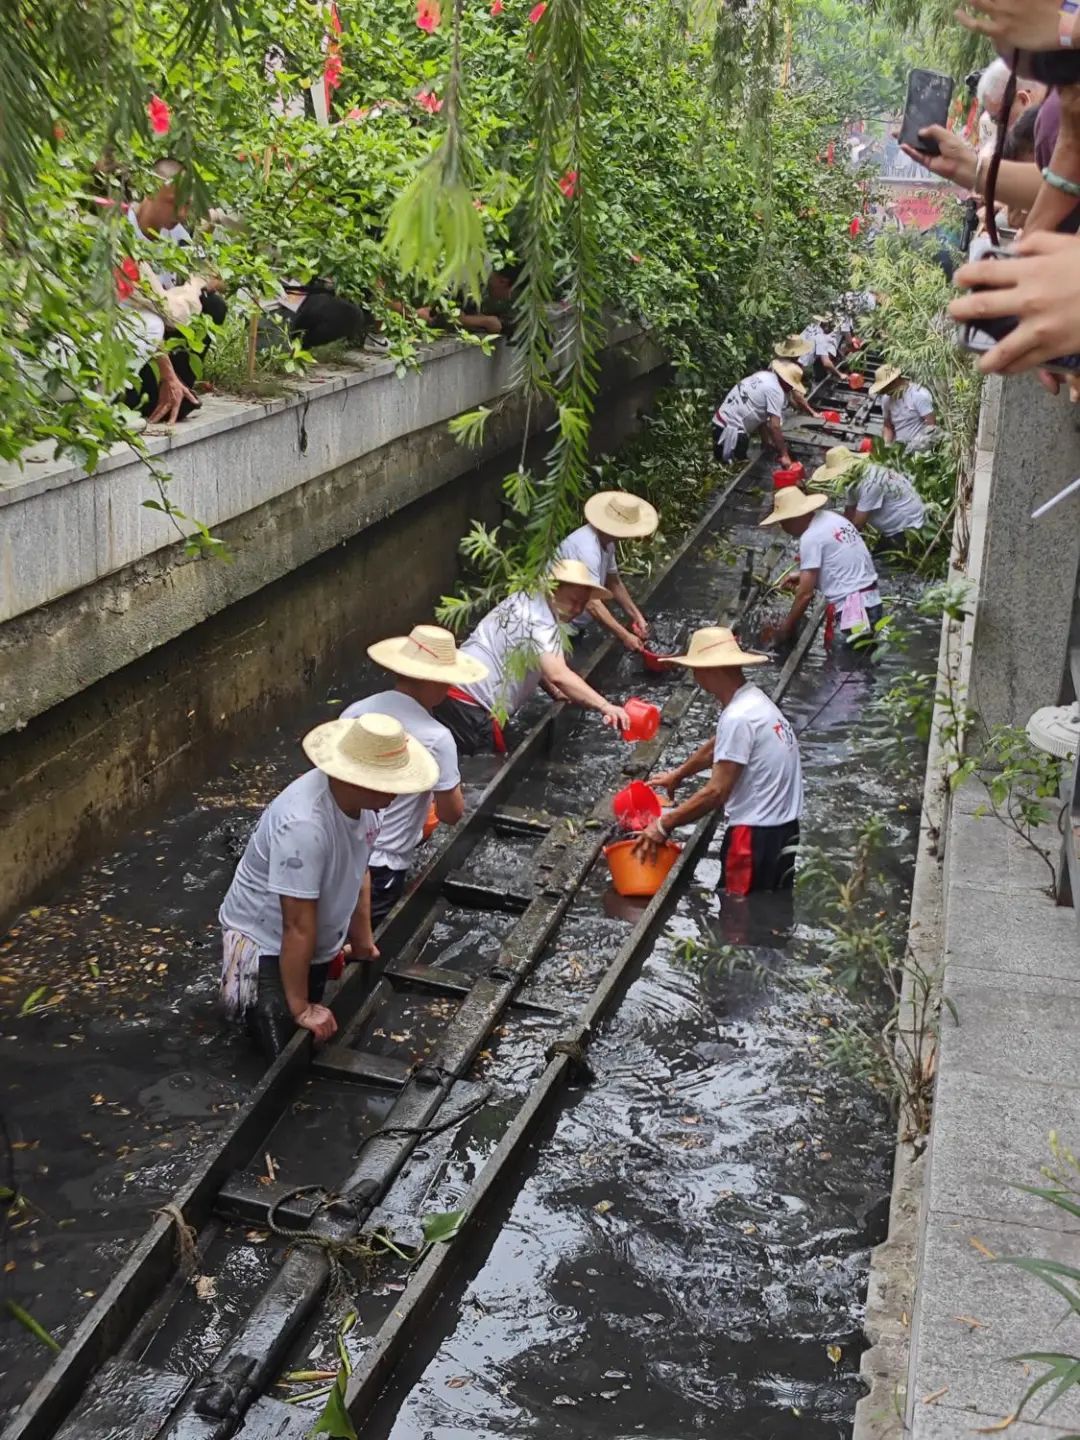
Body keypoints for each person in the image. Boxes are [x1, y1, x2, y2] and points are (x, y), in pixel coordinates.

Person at [218, 713, 438, 1057]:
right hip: (266, 941)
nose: (397, 792)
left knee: (316, 1021)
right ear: (357, 778)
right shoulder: (305, 825)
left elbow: (358, 871)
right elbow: (296, 924)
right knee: (275, 1044)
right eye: (389, 782)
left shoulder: (369, 807)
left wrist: (362, 941)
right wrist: (300, 1008)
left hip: (312, 932)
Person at [635, 626, 802, 895]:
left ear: (711, 670)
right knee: (771, 905)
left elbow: (716, 792)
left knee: (738, 918)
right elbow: (719, 746)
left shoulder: (737, 717)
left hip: (754, 835)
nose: (695, 676)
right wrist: (679, 774)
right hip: (784, 830)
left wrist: (663, 825)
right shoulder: (754, 701)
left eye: (696, 669)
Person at [342, 625, 488, 925]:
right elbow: (452, 813)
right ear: (432, 681)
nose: (449, 689)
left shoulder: (355, 711)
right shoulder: (436, 737)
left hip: (339, 852)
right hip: (382, 865)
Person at [431, 559, 632, 754]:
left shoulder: (524, 599)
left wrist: (553, 691)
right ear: (553, 590)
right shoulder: (541, 621)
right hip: (471, 707)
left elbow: (528, 652)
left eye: (583, 604)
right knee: (482, 772)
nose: (577, 610)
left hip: (445, 691)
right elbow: (559, 675)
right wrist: (606, 706)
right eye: (573, 601)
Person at [759, 488, 882, 648]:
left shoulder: (811, 536)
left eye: (783, 522)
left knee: (846, 668)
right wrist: (801, 577)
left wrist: (784, 629)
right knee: (862, 661)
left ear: (794, 518)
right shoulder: (832, 519)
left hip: (854, 612)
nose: (783, 527)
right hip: (871, 602)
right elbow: (841, 566)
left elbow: (805, 595)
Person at [555, 490, 659, 653]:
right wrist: (625, 636)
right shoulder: (587, 548)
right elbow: (592, 603)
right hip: (559, 622)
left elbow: (614, 582)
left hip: (575, 619)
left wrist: (637, 616)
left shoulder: (607, 543)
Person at [812, 446, 927, 541]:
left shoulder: (871, 481)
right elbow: (849, 511)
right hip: (895, 525)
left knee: (879, 564)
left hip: (908, 527)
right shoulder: (853, 480)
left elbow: (857, 524)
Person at [712, 360, 810, 465]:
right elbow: (774, 426)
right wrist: (784, 455)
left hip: (720, 420)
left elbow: (760, 414)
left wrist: (765, 441)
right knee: (736, 465)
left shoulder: (764, 375)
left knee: (728, 461)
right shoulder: (776, 391)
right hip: (730, 430)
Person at [870, 365, 937, 453]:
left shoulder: (917, 394)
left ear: (895, 380)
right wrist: (887, 444)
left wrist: (917, 445)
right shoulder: (886, 399)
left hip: (920, 448)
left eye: (886, 387)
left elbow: (931, 426)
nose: (885, 391)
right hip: (899, 448)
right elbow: (888, 426)